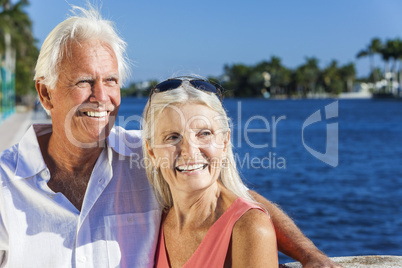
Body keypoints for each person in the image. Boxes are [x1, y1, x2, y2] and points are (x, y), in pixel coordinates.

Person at [0, 5, 342, 268]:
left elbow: (235, 197)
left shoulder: (147, 155)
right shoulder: (5, 184)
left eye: (111, 81)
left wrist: (308, 253)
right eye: (84, 82)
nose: (101, 97)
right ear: (46, 95)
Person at [142, 77, 278, 267]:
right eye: (173, 137)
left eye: (204, 133)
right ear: (152, 153)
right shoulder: (155, 224)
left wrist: (308, 254)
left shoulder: (249, 228)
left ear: (224, 142)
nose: (190, 152)